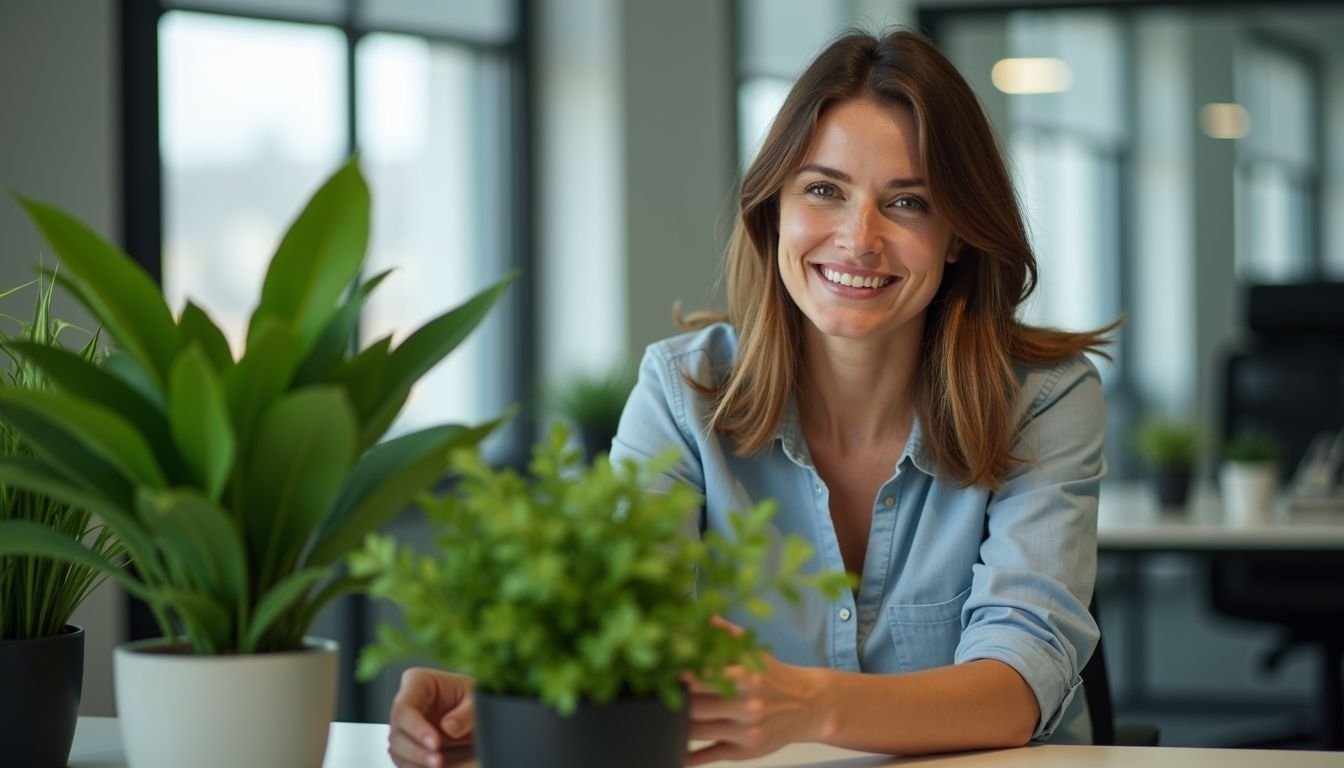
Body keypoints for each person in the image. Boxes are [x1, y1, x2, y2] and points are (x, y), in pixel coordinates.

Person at [387, 27, 1115, 768]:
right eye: (824, 190)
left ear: (957, 234)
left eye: (908, 202)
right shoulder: (681, 393)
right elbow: (625, 621)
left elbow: (1018, 686)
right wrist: (509, 696)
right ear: (774, 210)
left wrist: (810, 706)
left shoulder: (1046, 400)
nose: (858, 239)